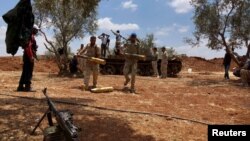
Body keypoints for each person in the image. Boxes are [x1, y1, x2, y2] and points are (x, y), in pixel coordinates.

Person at [17, 25, 39, 92]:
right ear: (33, 29)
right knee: (29, 71)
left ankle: (20, 87)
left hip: (26, 56)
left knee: (25, 71)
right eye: (36, 30)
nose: (37, 31)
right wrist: (31, 56)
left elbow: (28, 46)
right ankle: (27, 87)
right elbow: (28, 47)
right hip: (28, 56)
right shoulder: (30, 36)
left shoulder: (28, 36)